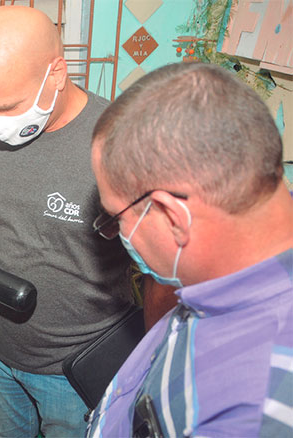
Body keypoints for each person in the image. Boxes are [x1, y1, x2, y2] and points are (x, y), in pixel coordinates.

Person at [0, 6, 156, 437]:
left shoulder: (120, 143)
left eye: (8, 106)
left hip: (75, 369)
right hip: (0, 354)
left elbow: (161, 267)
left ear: (57, 73)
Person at [87, 62, 293, 437]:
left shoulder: (256, 411)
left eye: (115, 218)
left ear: (171, 215)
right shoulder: (231, 269)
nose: (118, 234)